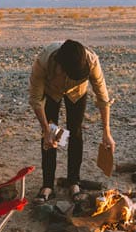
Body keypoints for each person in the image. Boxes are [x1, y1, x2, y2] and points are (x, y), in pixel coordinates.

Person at [28, 39, 116, 204]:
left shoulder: (91, 62)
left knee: (75, 132)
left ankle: (73, 182)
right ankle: (47, 185)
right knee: (52, 135)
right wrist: (46, 130)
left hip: (77, 93)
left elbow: (103, 99)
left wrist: (107, 132)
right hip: (51, 90)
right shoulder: (43, 62)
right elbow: (35, 100)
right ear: (59, 66)